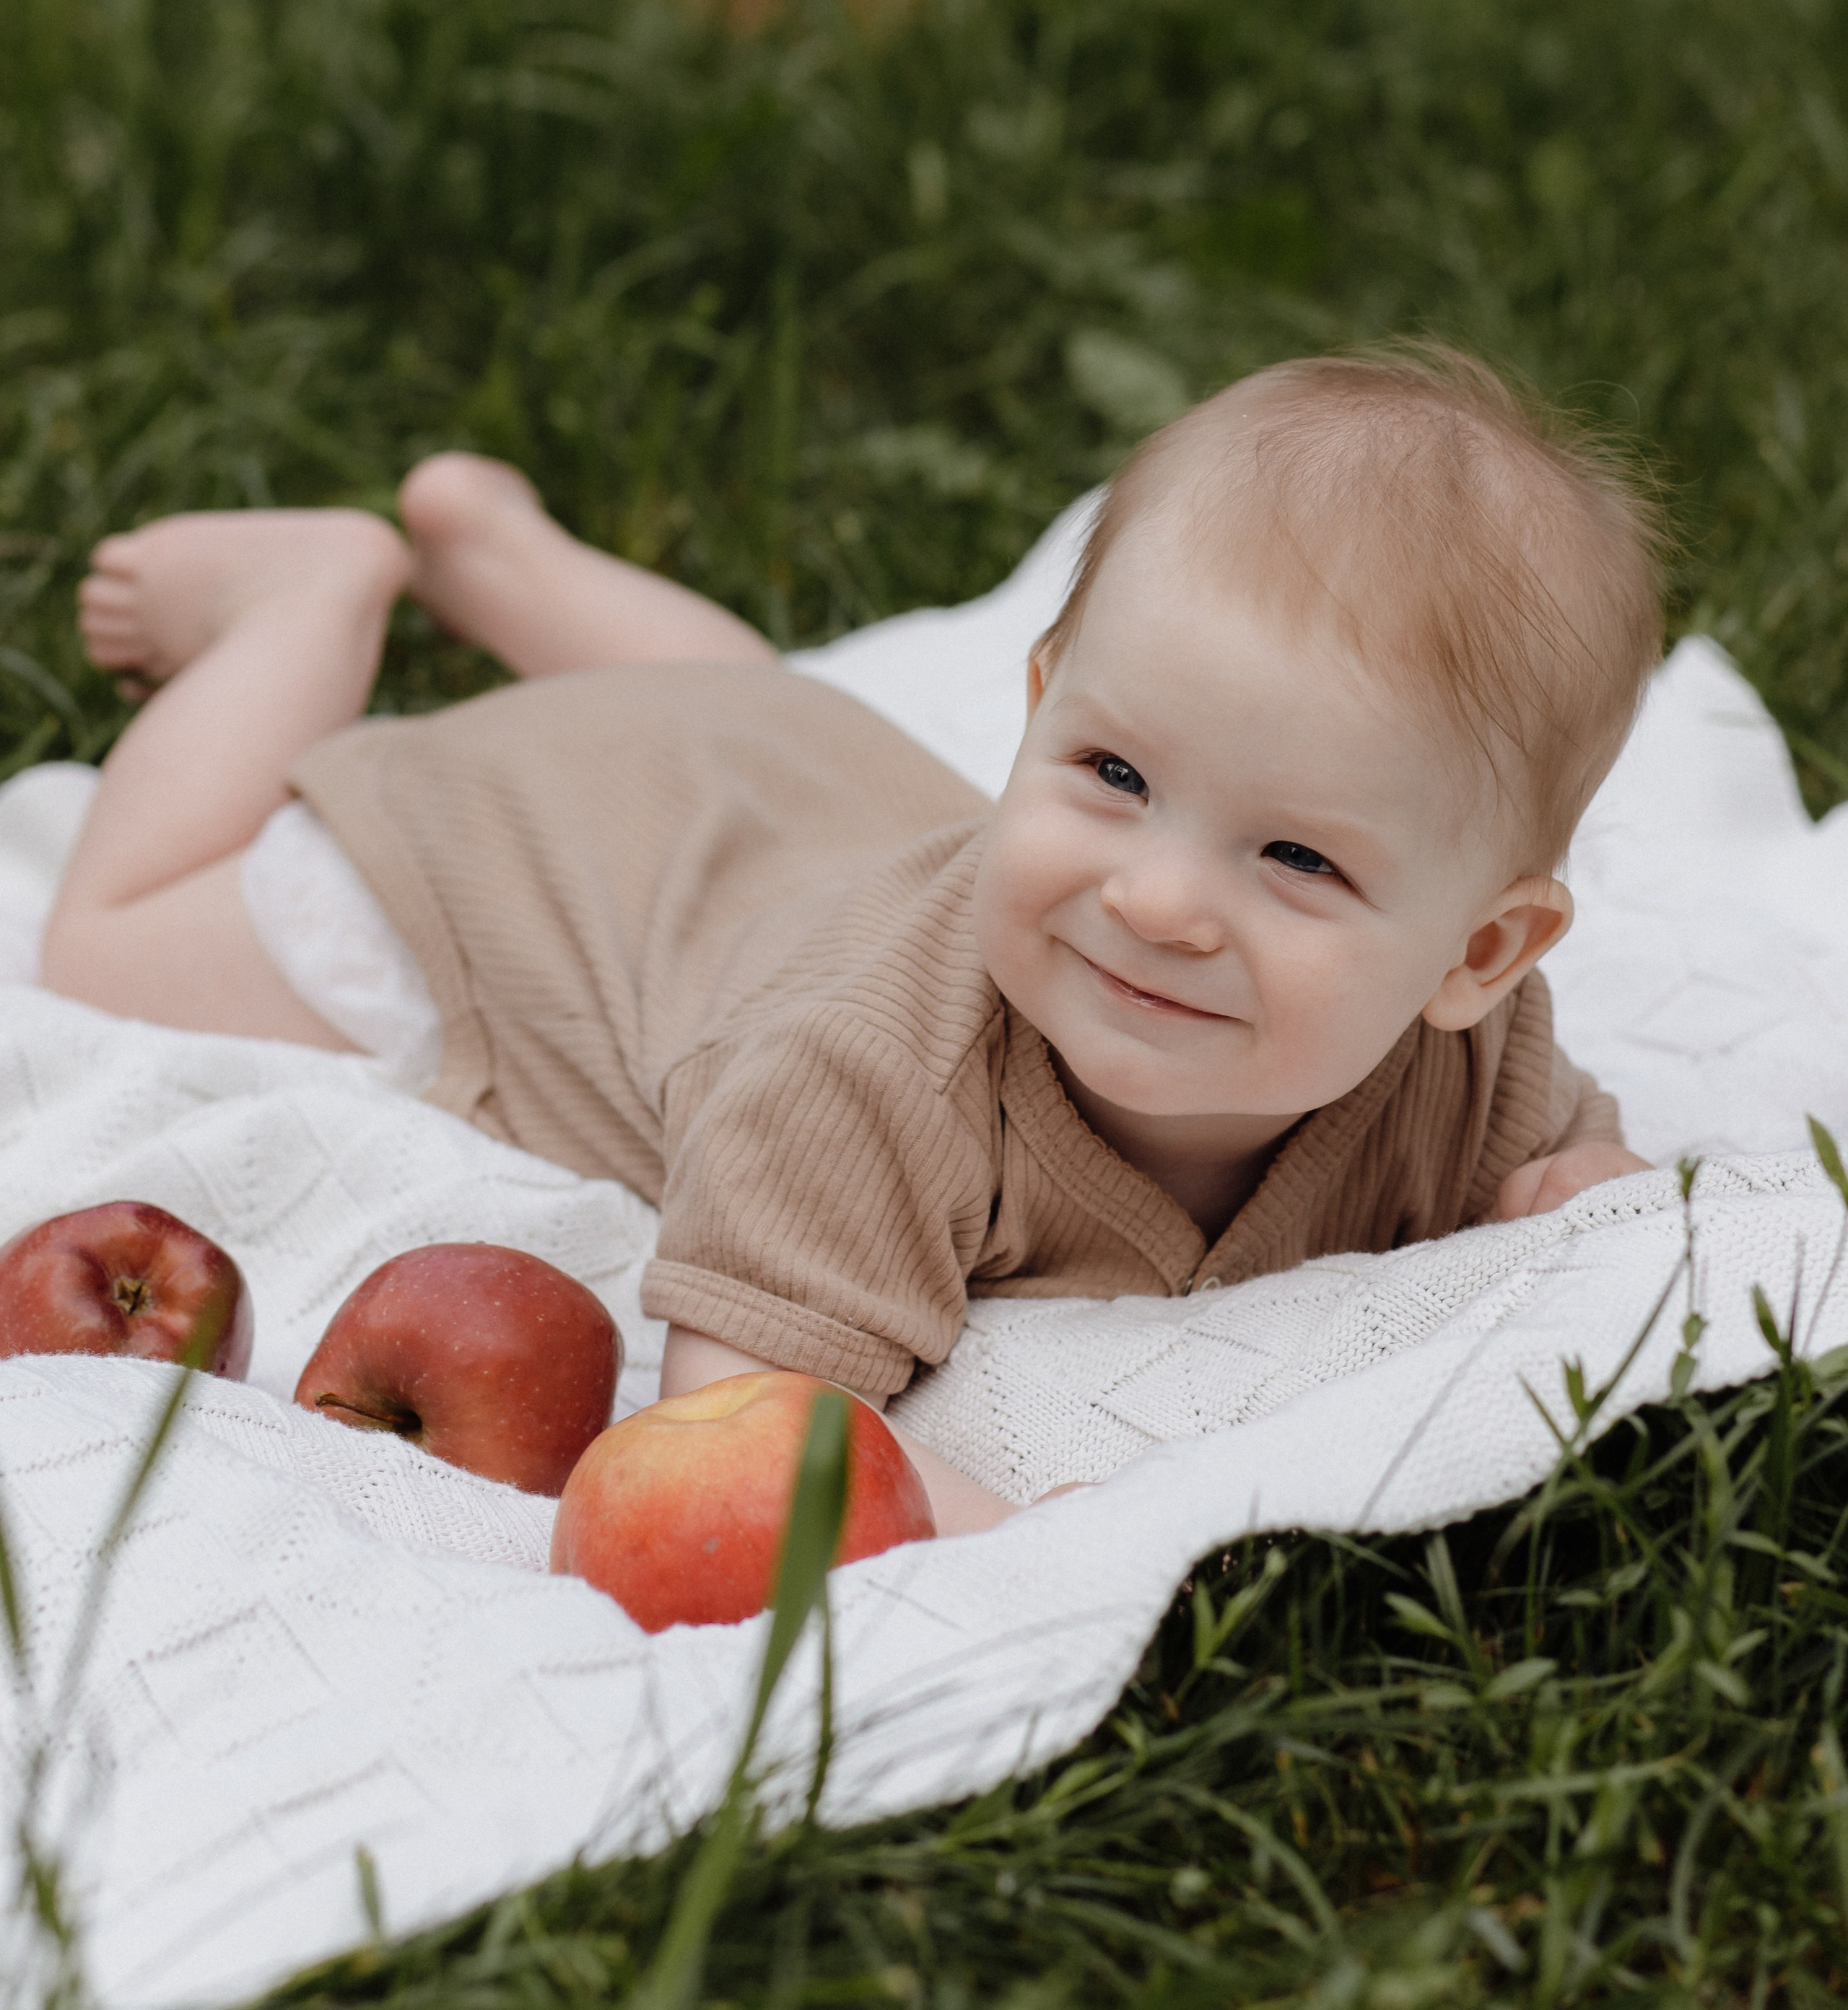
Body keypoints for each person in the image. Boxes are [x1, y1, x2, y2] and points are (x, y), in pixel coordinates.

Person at [39, 348, 1658, 1533]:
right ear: (1038, 711)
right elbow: (749, 1416)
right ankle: (305, 600)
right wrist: (1020, 1540)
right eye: (1110, 773)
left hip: (772, 770)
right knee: (108, 945)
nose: (1156, 899)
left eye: (1295, 855)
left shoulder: (1468, 1061)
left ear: (1479, 953)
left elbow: (1571, 1169)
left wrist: (1582, 1200)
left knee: (761, 714)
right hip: (526, 857)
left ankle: (508, 559)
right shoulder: (863, 1070)